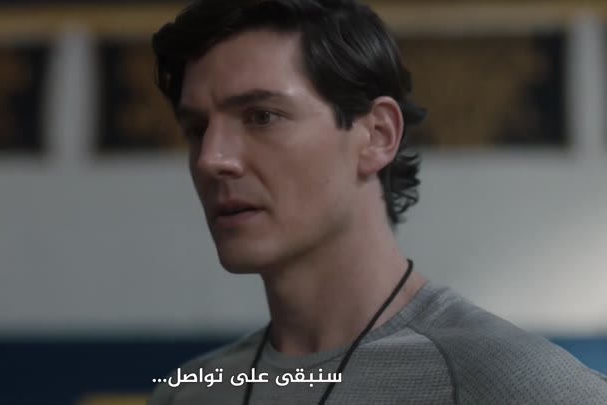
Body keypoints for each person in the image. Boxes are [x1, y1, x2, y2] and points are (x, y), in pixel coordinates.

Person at [148, 0, 607, 403]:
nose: (211, 159)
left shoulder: (511, 384)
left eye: (262, 117)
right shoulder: (191, 392)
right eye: (197, 129)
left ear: (378, 135)